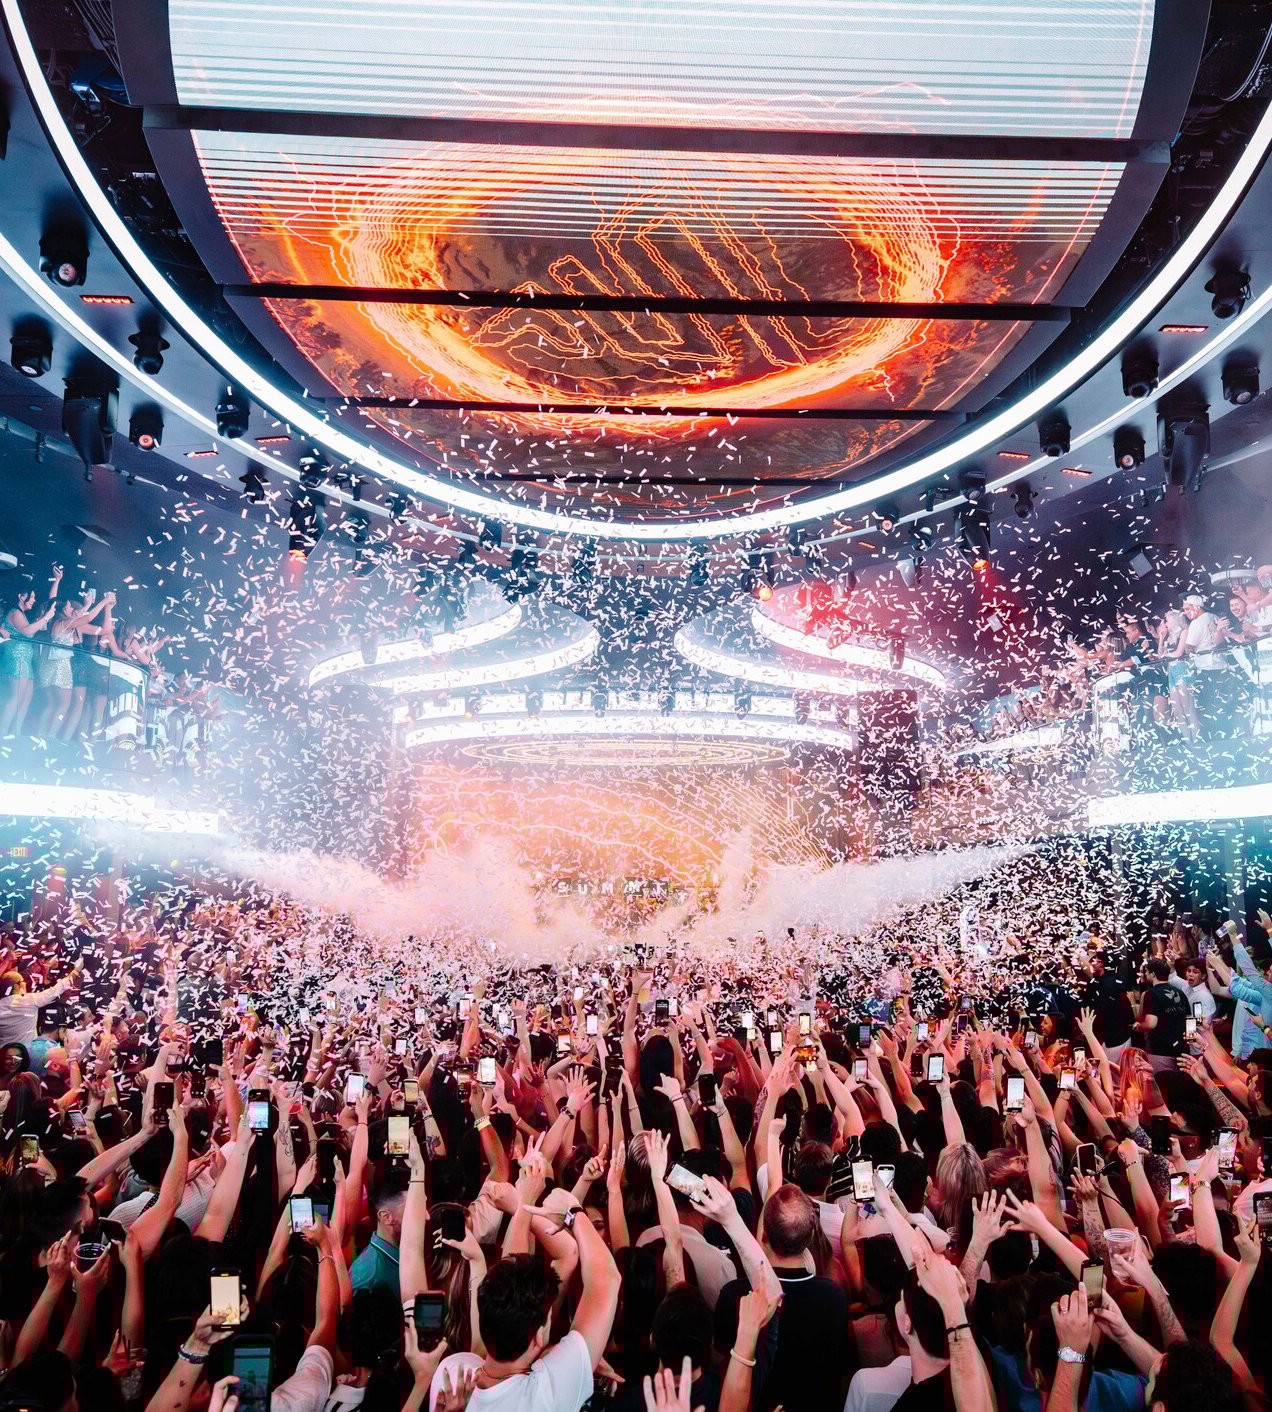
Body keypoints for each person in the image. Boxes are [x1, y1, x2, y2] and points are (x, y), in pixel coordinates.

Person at [0, 566, 61, 738]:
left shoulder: (23, 614)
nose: (34, 600)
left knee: (26, 696)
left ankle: (16, 732)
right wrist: (46, 618)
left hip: (25, 659)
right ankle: (3, 733)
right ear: (21, 597)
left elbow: (51, 603)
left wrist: (56, 581)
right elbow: (27, 631)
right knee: (16, 696)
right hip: (16, 657)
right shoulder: (14, 612)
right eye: (31, 597)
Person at [1134, 958, 1191, 1075]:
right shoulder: (1180, 992)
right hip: (1182, 1050)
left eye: (1146, 972)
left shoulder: (1151, 994)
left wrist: (1138, 1027)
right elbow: (1191, 1020)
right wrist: (1189, 1043)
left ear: (1153, 973)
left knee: (1161, 1087)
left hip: (1161, 1050)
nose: (1145, 974)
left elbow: (1150, 1024)